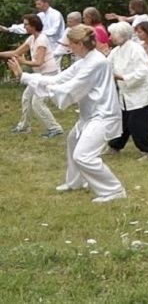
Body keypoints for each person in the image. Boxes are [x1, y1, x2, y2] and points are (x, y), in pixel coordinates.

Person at [6, 25, 127, 202]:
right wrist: (24, 77)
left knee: (83, 156)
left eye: (70, 44)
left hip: (104, 115)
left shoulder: (96, 62)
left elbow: (69, 88)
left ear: (79, 44)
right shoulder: (85, 61)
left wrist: (23, 76)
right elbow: (57, 79)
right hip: (91, 115)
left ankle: (114, 190)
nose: (69, 48)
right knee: (73, 140)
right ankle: (76, 182)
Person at [102, 22, 148, 161]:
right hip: (125, 93)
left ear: (121, 36)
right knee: (123, 123)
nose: (110, 38)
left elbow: (142, 71)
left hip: (140, 93)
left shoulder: (136, 50)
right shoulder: (116, 51)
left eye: (112, 35)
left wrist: (122, 77)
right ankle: (115, 146)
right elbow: (107, 65)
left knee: (137, 124)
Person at [0, 14, 63, 138]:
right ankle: (24, 126)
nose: (24, 27)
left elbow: (38, 62)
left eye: (26, 24)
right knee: (26, 97)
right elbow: (16, 53)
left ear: (34, 25)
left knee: (37, 103)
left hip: (48, 74)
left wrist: (23, 62)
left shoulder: (42, 40)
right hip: (39, 75)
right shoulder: (31, 39)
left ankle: (55, 128)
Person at [0, 0, 65, 68]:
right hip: (41, 45)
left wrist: (38, 34)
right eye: (36, 4)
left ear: (46, 3)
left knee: (51, 68)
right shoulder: (40, 16)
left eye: (39, 4)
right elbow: (27, 26)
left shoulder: (55, 14)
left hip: (54, 47)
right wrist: (8, 29)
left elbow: (54, 30)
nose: (37, 6)